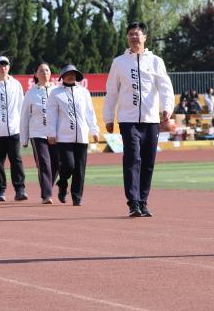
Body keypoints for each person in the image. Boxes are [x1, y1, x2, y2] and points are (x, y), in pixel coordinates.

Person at [103, 21, 175, 218]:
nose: (134, 37)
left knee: (148, 161)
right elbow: (111, 92)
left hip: (151, 120)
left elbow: (165, 88)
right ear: (127, 38)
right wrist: (108, 117)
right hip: (128, 120)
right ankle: (133, 202)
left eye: (137, 34)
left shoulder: (156, 61)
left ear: (145, 37)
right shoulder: (119, 62)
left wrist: (167, 109)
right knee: (132, 158)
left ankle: (143, 201)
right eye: (130, 34)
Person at [48, 65, 99, 206]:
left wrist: (94, 130)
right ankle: (63, 182)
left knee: (80, 169)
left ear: (77, 76)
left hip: (81, 136)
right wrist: (51, 133)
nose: (71, 76)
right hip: (64, 137)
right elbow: (51, 115)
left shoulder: (84, 92)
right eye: (67, 74)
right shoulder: (55, 93)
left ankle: (77, 197)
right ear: (62, 77)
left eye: (73, 73)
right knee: (68, 165)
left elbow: (90, 112)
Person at [0, 55, 27, 202]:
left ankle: (20, 189)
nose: (3, 68)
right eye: (0, 65)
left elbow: (21, 106)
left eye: (5, 65)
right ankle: (0, 190)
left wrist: (22, 127)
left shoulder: (16, 84)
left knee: (16, 160)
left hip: (13, 130)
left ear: (9, 67)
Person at [20, 63, 59, 204]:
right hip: (37, 134)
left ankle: (47, 186)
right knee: (44, 163)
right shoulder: (31, 93)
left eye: (47, 70)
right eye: (41, 70)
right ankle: (47, 195)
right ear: (36, 74)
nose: (45, 73)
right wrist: (24, 138)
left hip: (55, 134)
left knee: (56, 164)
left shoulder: (57, 91)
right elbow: (24, 116)